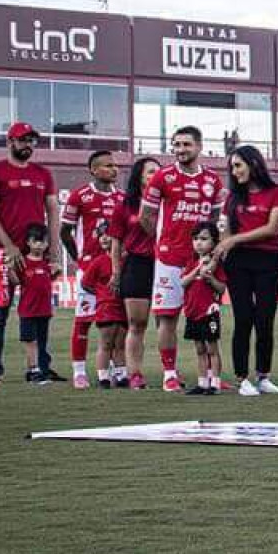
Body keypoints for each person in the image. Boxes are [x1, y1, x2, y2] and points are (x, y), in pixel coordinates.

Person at [139, 126, 226, 392]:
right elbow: (146, 217)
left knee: (207, 318)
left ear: (199, 147)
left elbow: (215, 221)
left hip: (200, 262)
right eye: (176, 145)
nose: (180, 150)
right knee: (167, 318)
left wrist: (209, 254)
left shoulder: (213, 180)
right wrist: (165, 242)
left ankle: (213, 378)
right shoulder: (162, 177)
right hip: (170, 260)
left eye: (186, 145)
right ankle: (169, 374)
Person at [0, 121, 59, 384]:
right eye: (23, 140)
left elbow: (53, 212)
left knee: (41, 312)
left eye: (32, 141)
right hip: (6, 254)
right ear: (10, 142)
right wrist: (9, 246)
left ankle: (41, 366)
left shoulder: (43, 173)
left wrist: (54, 253)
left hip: (37, 253)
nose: (28, 145)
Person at [217, 145, 278, 396]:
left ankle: (263, 376)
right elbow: (225, 233)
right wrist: (222, 248)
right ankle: (242, 378)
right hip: (238, 263)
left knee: (265, 320)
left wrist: (234, 240)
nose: (234, 171)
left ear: (253, 163)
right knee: (243, 319)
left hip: (269, 261)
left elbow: (272, 228)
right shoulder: (232, 198)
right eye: (232, 167)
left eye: (238, 165)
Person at [59, 149, 122, 389]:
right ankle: (79, 371)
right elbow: (65, 231)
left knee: (117, 323)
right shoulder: (80, 196)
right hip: (89, 269)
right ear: (93, 170)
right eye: (107, 166)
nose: (113, 169)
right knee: (84, 320)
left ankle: (117, 370)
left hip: (114, 269)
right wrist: (79, 258)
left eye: (114, 165)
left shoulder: (122, 198)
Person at [114, 156, 159, 389]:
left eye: (158, 172)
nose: (155, 175)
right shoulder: (126, 204)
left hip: (162, 263)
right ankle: (135, 374)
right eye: (150, 172)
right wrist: (115, 271)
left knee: (165, 322)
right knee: (136, 323)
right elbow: (116, 241)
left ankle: (170, 372)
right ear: (139, 176)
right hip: (136, 264)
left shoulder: (166, 202)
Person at [3, 223, 59, 385]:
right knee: (30, 341)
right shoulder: (23, 262)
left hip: (44, 310)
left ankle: (40, 369)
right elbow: (16, 282)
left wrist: (57, 272)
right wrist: (10, 270)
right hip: (28, 310)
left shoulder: (47, 263)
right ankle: (33, 369)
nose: (39, 245)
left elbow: (48, 281)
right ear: (28, 242)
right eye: (36, 241)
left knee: (42, 341)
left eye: (43, 242)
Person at [76, 224, 126, 389]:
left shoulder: (124, 260)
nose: (104, 238)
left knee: (120, 344)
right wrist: (101, 293)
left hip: (123, 307)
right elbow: (85, 283)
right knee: (106, 343)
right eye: (100, 235)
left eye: (107, 234)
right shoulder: (99, 261)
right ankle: (103, 377)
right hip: (106, 308)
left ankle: (121, 375)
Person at [179, 222, 226, 396]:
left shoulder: (217, 263)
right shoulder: (190, 260)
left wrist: (210, 277)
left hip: (209, 312)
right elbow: (183, 282)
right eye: (196, 239)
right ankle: (202, 382)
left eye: (204, 239)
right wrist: (198, 268)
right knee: (199, 349)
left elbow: (221, 288)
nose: (199, 243)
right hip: (192, 311)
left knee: (212, 348)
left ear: (214, 242)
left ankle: (215, 383)